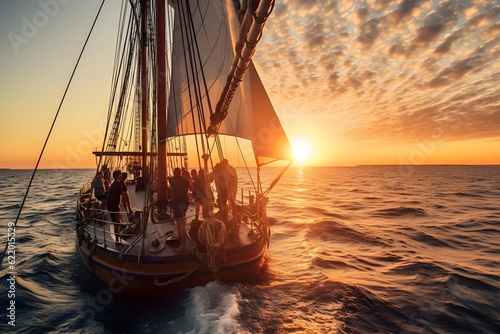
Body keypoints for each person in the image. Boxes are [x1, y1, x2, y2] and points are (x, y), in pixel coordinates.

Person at [169, 167, 193, 252]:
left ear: (174, 172)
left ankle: (182, 246)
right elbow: (192, 188)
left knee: (180, 222)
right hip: (184, 201)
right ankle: (181, 242)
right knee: (180, 221)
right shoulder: (185, 179)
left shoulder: (171, 179)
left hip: (177, 202)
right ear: (180, 172)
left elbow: (172, 187)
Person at [107, 170, 123, 244]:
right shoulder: (118, 185)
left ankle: (117, 238)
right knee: (117, 223)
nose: (121, 175)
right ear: (118, 176)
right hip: (114, 206)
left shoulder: (114, 184)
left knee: (116, 223)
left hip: (110, 206)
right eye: (120, 175)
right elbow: (122, 195)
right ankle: (117, 239)